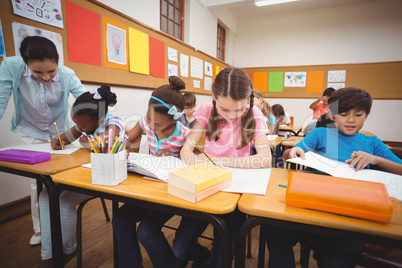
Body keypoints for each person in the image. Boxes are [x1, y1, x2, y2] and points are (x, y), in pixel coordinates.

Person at [268, 87, 402, 268]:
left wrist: (375, 159)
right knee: (276, 234)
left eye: (358, 115)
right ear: (332, 115)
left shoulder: (372, 144)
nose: (351, 120)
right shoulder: (320, 134)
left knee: (335, 259)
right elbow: (288, 155)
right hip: (312, 207)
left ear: (367, 115)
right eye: (344, 114)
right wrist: (293, 151)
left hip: (350, 215)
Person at [177, 67, 272, 267]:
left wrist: (218, 160)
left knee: (223, 258)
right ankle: (205, 259)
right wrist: (191, 158)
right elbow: (186, 150)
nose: (232, 116)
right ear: (213, 96)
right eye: (225, 109)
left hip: (236, 191)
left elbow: (265, 159)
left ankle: (214, 260)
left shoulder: (254, 112)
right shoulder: (205, 109)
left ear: (248, 99)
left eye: (239, 109)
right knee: (180, 249)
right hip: (206, 187)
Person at [0, 36, 86, 246]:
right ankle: (41, 229)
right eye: (38, 72)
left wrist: (95, 118)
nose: (46, 77)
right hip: (31, 129)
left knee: (64, 172)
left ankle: (61, 218)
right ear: (26, 63)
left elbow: (87, 100)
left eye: (51, 71)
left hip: (62, 131)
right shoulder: (11, 67)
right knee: (36, 179)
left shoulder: (67, 74)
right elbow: (1, 100)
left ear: (58, 62)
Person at [38, 85, 124, 267]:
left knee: (62, 201)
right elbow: (67, 137)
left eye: (82, 125)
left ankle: (69, 250)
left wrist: (89, 145)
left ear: (100, 120)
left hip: (106, 178)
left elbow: (106, 147)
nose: (79, 128)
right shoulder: (85, 123)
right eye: (77, 124)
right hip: (83, 175)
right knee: (45, 195)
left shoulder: (113, 124)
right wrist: (59, 140)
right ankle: (50, 252)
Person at [112, 76, 192, 268]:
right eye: (149, 118)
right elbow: (127, 143)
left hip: (170, 194)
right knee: (120, 220)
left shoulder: (184, 135)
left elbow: (192, 167)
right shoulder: (145, 123)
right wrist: (122, 149)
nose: (151, 125)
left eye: (159, 125)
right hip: (148, 189)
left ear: (175, 118)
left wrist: (175, 158)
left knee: (146, 231)